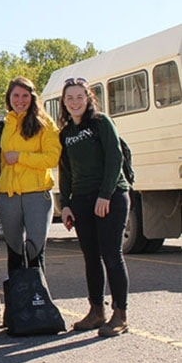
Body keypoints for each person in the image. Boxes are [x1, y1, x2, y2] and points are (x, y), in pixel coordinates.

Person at [58, 77, 130, 337]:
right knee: (91, 257)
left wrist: (105, 195)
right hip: (82, 200)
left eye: (79, 97)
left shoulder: (101, 122)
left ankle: (120, 314)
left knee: (111, 255)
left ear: (88, 98)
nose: (74, 102)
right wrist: (65, 204)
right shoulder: (65, 134)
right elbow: (65, 172)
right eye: (69, 98)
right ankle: (96, 311)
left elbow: (115, 157)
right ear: (63, 103)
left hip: (111, 196)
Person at [0, 76, 61, 277]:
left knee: (35, 253)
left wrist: (20, 157)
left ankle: (39, 303)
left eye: (25, 95)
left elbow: (52, 158)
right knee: (15, 254)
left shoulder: (45, 124)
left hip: (37, 195)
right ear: (8, 98)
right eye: (15, 95)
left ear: (32, 97)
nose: (20, 100)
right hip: (8, 197)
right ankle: (17, 304)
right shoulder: (2, 127)